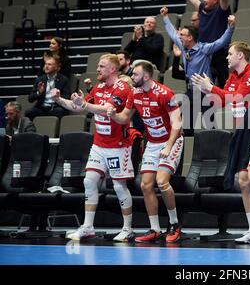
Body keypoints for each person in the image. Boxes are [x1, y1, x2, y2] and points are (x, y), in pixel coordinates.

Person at [192, 41, 250, 244]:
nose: (227, 57)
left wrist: (212, 86)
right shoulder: (232, 77)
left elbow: (237, 98)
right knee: (244, 181)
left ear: (241, 55)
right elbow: (222, 102)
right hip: (243, 131)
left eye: (230, 54)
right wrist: (207, 91)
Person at [52, 54, 135, 242]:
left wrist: (85, 104)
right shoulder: (98, 88)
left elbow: (106, 109)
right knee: (89, 182)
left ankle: (127, 228)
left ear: (113, 69)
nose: (97, 69)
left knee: (119, 186)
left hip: (118, 146)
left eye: (101, 66)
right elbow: (80, 107)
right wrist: (60, 100)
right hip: (99, 144)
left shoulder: (123, 88)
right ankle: (88, 227)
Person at [107, 61, 184, 243]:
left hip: (172, 140)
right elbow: (125, 116)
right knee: (145, 185)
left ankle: (174, 223)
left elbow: (177, 124)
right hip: (152, 142)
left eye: (135, 75)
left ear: (147, 77)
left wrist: (168, 146)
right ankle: (155, 229)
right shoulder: (135, 93)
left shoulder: (165, 94)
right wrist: (113, 115)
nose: (132, 77)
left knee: (162, 181)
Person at [161, 6, 235, 134]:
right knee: (187, 125)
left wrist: (231, 27)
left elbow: (222, 42)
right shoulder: (184, 48)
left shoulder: (204, 49)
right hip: (191, 91)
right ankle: (188, 150)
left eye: (182, 35)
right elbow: (172, 34)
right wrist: (165, 17)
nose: (180, 37)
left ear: (190, 38)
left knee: (210, 125)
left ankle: (214, 151)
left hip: (206, 92)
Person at [178, 0, 231, 87]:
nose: (204, 0)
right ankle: (200, 103)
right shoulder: (202, 8)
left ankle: (225, 104)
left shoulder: (222, 10)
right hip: (203, 52)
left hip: (219, 52)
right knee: (202, 83)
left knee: (224, 84)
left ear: (215, 0)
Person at [26, 56, 70, 120]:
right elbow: (30, 99)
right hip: (42, 108)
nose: (46, 66)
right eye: (45, 64)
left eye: (49, 64)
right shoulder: (39, 79)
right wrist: (39, 92)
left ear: (57, 68)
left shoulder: (63, 79)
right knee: (29, 112)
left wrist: (58, 97)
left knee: (59, 111)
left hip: (55, 107)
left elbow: (67, 97)